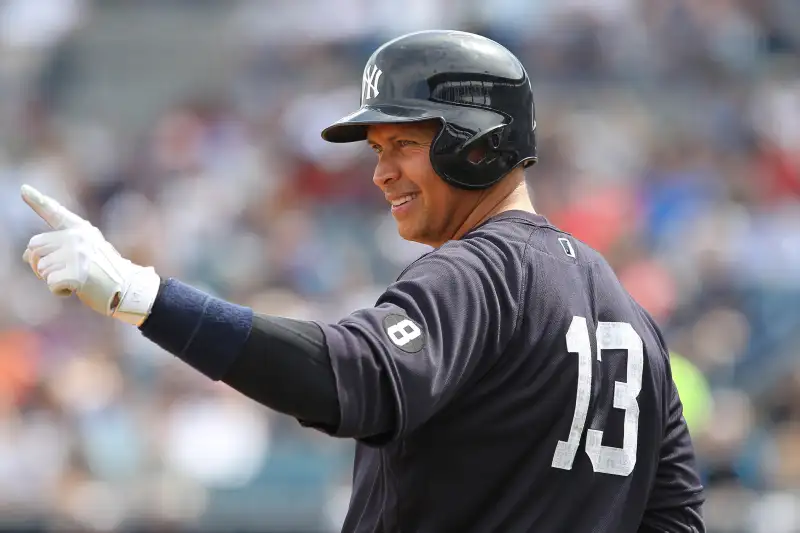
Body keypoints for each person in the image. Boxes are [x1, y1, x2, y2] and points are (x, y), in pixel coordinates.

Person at [20, 30, 705, 533]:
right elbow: (674, 520)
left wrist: (142, 296)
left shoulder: (477, 272)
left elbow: (347, 377)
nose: (380, 172)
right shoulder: (629, 314)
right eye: (378, 150)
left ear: (478, 143)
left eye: (404, 143)